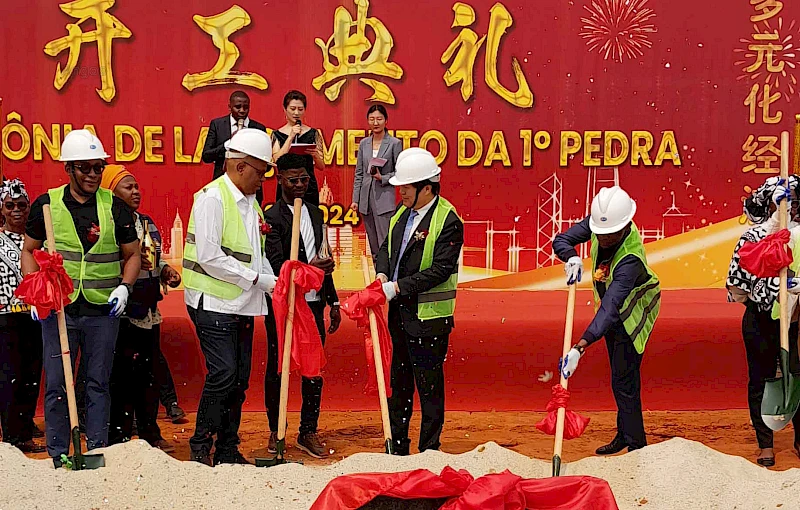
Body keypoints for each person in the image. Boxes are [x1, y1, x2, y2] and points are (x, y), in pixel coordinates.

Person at [22, 130, 142, 466]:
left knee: (97, 383)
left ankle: (98, 450)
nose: (92, 175)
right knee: (58, 384)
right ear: (69, 169)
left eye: (98, 168)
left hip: (102, 310)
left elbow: (132, 254)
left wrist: (124, 287)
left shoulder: (115, 207)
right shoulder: (47, 204)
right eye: (85, 168)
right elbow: (29, 250)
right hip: (59, 309)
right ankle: (59, 454)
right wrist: (35, 290)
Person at [183, 128, 278, 466]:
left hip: (244, 304)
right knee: (222, 374)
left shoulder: (253, 205)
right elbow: (210, 256)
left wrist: (274, 280)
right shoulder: (212, 198)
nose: (263, 178)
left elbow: (254, 253)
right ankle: (200, 442)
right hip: (213, 302)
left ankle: (227, 449)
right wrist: (258, 279)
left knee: (238, 380)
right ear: (240, 166)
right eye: (261, 170)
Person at [553, 186, 661, 455]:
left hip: (634, 312)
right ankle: (625, 434)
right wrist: (572, 257)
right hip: (610, 305)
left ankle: (637, 446)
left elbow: (612, 308)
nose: (603, 238)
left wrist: (579, 347)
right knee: (619, 378)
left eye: (610, 234)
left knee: (625, 379)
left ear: (625, 227)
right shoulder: (601, 226)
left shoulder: (630, 261)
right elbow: (561, 240)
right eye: (599, 234)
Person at [374, 148, 463, 455]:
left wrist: (397, 288)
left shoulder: (448, 220)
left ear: (427, 187)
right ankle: (397, 447)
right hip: (399, 315)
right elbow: (385, 247)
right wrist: (384, 274)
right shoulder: (402, 212)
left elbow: (439, 271)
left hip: (429, 319)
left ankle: (429, 450)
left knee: (429, 388)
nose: (401, 193)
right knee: (399, 385)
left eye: (407, 188)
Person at [263, 153, 341, 458]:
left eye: (304, 180)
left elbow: (325, 260)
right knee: (278, 368)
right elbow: (278, 266)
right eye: (293, 179)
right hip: (284, 305)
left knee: (313, 370)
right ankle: (276, 428)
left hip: (313, 305)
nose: (299, 185)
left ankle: (308, 430)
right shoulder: (272, 218)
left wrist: (332, 300)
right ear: (280, 179)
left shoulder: (316, 213)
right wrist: (312, 267)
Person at [100, 165, 180, 453]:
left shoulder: (147, 223)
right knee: (121, 379)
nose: (136, 192)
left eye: (136, 187)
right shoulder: (106, 225)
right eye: (128, 187)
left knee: (148, 376)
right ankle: (118, 438)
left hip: (148, 310)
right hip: (121, 313)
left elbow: (153, 259)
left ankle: (150, 433)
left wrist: (166, 272)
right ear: (111, 192)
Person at [727, 176, 800, 467]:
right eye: (784, 201)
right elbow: (737, 284)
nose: (790, 207)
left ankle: (799, 438)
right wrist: (769, 291)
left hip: (795, 324)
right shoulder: (752, 238)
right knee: (761, 380)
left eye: (794, 201)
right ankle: (765, 442)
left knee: (797, 377)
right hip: (761, 321)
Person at [0, 178, 45, 453]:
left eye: (22, 205)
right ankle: (12, 437)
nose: (16, 210)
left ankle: (25, 429)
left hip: (34, 316)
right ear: (1, 209)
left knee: (31, 376)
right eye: (10, 205)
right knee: (9, 378)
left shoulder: (37, 243)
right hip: (5, 317)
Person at [351, 105, 403, 260]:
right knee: (373, 245)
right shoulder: (364, 144)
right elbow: (359, 173)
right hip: (365, 200)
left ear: (386, 121)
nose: (376, 122)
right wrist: (355, 199)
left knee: (385, 243)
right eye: (372, 119)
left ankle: (387, 278)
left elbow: (399, 172)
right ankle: (377, 278)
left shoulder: (394, 143)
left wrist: (383, 178)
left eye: (379, 119)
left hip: (384, 199)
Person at [202, 90, 268, 203]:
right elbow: (207, 156)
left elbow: (266, 163)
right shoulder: (217, 125)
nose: (242, 110)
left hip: (251, 190)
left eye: (245, 107)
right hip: (224, 187)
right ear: (229, 106)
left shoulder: (258, 129)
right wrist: (227, 145)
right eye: (238, 107)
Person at [271, 90, 325, 205]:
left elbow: (321, 166)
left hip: (308, 186)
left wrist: (315, 155)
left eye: (300, 109)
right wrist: (290, 137)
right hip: (287, 186)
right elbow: (276, 160)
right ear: (285, 109)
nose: (296, 113)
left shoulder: (313, 133)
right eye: (292, 108)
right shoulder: (277, 134)